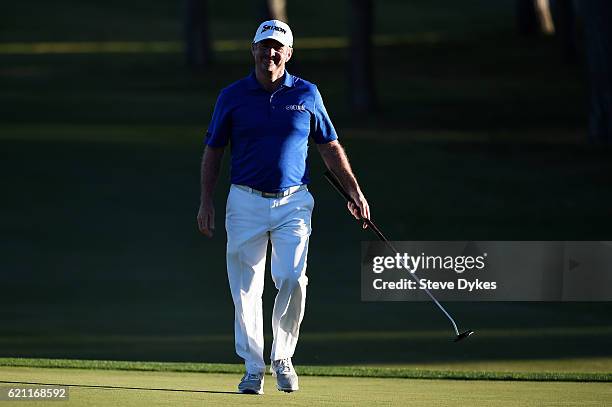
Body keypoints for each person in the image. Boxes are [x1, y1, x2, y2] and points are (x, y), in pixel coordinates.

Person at [197, 19, 370, 395]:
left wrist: (353, 192)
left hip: (294, 201)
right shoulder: (233, 95)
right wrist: (205, 200)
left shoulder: (307, 93)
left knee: (292, 278)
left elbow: (329, 147)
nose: (270, 53)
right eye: (264, 46)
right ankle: (253, 367)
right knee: (246, 288)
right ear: (253, 51)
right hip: (244, 201)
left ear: (288, 54)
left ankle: (283, 358)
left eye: (278, 47)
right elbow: (213, 149)